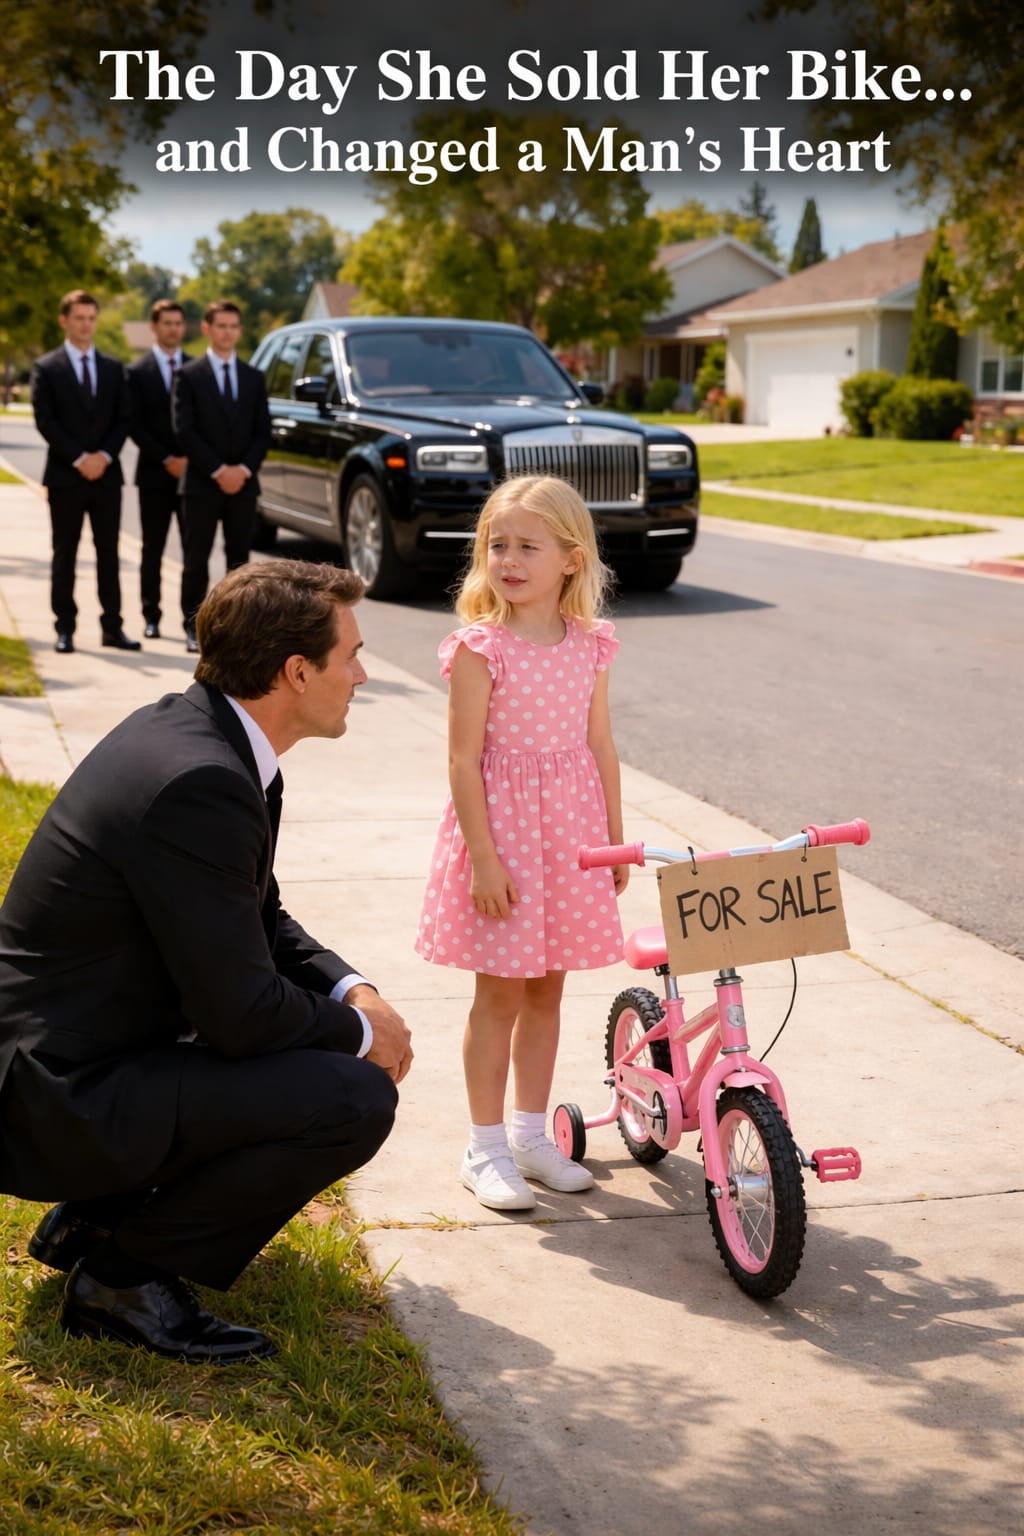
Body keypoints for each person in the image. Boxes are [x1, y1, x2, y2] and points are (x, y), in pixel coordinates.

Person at [0, 559, 413, 1364]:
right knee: (352, 1097)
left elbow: (259, 916)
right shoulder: (202, 779)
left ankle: (97, 1218)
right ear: (297, 672)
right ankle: (123, 1280)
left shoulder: (207, 739)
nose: (362, 676)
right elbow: (243, 1015)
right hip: (54, 1099)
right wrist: (365, 1039)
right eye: (352, 655)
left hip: (77, 1060)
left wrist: (353, 990)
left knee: (317, 1050)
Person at [415, 475, 627, 1212]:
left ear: (571, 559)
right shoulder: (481, 648)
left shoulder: (590, 645)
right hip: (502, 840)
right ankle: (484, 1147)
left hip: (569, 838)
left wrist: (613, 836)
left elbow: (601, 745)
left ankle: (531, 1136)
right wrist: (483, 859)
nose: (508, 559)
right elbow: (462, 760)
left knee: (548, 990)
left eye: (527, 547)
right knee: (500, 992)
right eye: (497, 544)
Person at [30, 289, 139, 654]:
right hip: (65, 476)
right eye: (79, 318)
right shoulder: (47, 368)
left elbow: (124, 418)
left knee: (109, 554)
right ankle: (65, 628)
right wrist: (80, 458)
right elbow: (46, 420)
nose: (86, 324)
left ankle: (113, 627)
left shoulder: (113, 368)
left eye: (91, 318)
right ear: (65, 320)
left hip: (107, 477)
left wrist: (103, 456)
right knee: (65, 554)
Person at [172, 300, 271, 653]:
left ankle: (237, 629)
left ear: (239, 331)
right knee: (195, 560)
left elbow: (263, 431)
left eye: (233, 326)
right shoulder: (188, 375)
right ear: (207, 329)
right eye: (221, 326)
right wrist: (218, 470)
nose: (228, 333)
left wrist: (242, 470)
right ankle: (193, 628)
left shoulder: (254, 377)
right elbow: (185, 430)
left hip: (243, 485)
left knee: (240, 563)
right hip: (202, 483)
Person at [126, 299, 191, 639]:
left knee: (193, 552)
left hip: (193, 475)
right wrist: (167, 459)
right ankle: (151, 616)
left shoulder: (196, 369)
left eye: (178, 323)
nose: (173, 329)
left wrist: (190, 460)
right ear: (153, 326)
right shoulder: (136, 372)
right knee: (153, 548)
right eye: (167, 323)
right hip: (154, 474)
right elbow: (133, 424)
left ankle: (192, 622)